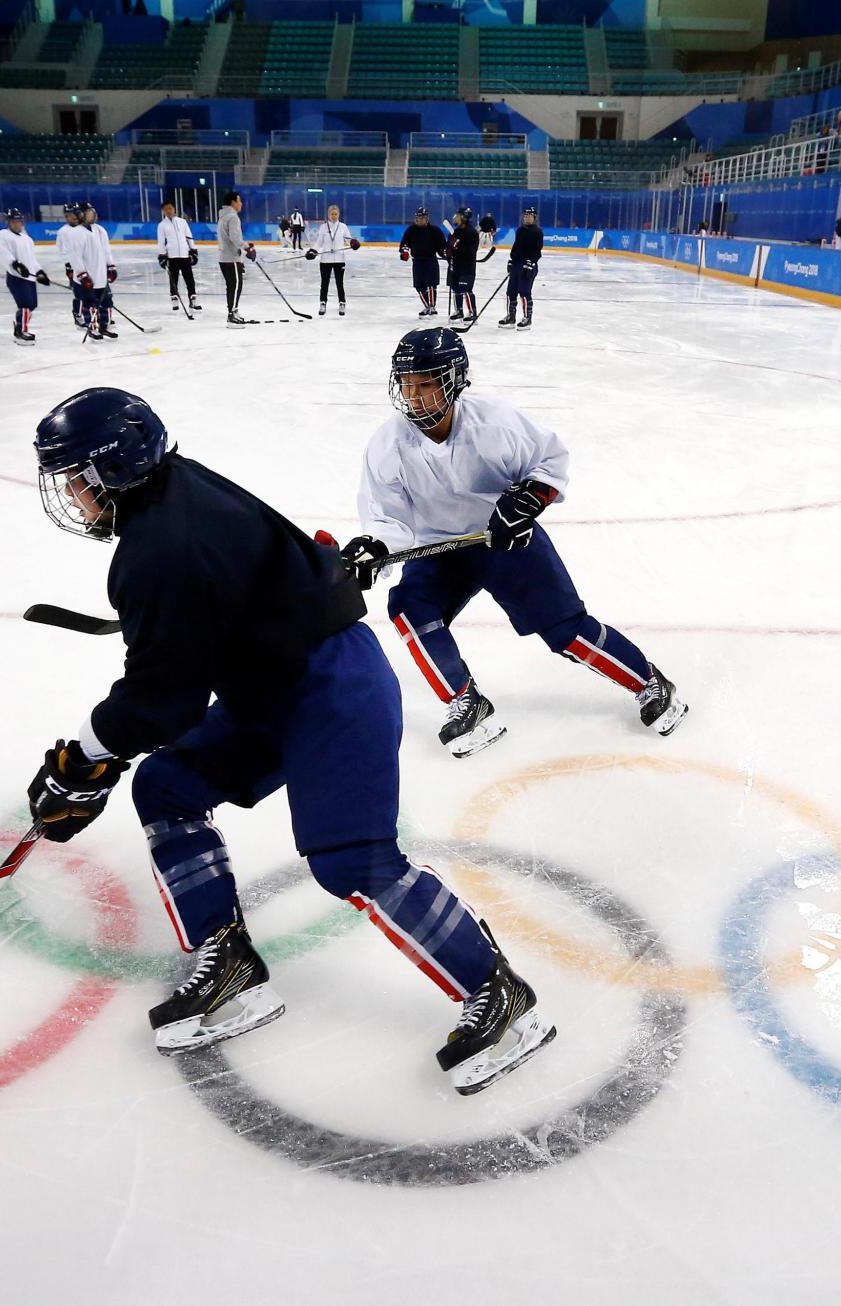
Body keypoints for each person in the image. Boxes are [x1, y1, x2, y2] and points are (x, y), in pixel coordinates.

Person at [29, 387, 555, 1094]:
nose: (69, 493)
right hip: (277, 683)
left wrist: (87, 754)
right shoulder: (174, 493)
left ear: (113, 470)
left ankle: (501, 995)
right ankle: (232, 968)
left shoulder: (159, 551)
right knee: (168, 787)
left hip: (333, 690)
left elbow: (165, 701)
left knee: (353, 863)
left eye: (75, 477)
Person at [341, 328, 687, 760]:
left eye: (426, 383)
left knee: (565, 631)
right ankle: (465, 700)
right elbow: (388, 517)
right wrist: (374, 545)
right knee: (410, 610)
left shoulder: (496, 422)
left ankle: (647, 680)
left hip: (503, 541)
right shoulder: (387, 445)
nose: (415, 397)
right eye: (407, 384)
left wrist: (528, 500)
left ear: (455, 379)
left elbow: (551, 460)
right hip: (439, 549)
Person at [0, 208, 52, 345]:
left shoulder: (27, 239)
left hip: (29, 277)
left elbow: (32, 259)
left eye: (19, 221)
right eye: (13, 221)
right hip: (16, 277)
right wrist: (16, 265)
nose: (17, 224)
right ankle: (21, 332)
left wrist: (39, 272)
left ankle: (20, 325)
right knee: (25, 304)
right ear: (8, 222)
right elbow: (4, 254)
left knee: (32, 305)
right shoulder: (2, 235)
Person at [306, 202, 359, 316]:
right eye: (332, 214)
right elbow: (319, 242)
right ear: (328, 215)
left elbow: (349, 240)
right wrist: (313, 251)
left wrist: (354, 243)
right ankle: (323, 303)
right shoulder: (323, 227)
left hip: (339, 260)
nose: (334, 216)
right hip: (325, 260)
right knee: (324, 283)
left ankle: (342, 303)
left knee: (340, 283)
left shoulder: (343, 227)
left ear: (338, 214)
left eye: (336, 214)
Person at [78, 200, 117, 340]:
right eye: (89, 212)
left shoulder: (100, 230)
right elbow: (76, 257)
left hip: (101, 274)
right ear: (81, 214)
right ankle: (93, 328)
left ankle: (104, 327)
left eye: (92, 212)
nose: (92, 214)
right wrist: (82, 275)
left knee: (106, 301)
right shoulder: (78, 233)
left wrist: (111, 267)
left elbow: (107, 251)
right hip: (88, 275)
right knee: (90, 303)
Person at [399, 206, 446, 318]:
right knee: (419, 286)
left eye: (421, 217)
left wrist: (446, 254)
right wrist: (404, 252)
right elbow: (404, 244)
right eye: (417, 217)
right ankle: (427, 306)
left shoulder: (435, 231)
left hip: (430, 261)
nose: (418, 219)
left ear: (426, 218)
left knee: (431, 284)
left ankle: (432, 307)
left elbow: (442, 248)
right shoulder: (411, 230)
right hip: (417, 262)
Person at [216, 189, 254, 326]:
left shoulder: (223, 217)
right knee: (235, 287)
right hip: (231, 258)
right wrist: (247, 248)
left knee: (232, 286)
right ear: (233, 202)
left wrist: (244, 247)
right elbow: (235, 238)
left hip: (225, 257)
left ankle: (234, 312)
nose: (241, 204)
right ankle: (231, 316)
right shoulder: (232, 217)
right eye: (239, 200)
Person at [500, 205, 541, 329]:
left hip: (528, 265)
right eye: (525, 215)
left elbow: (537, 251)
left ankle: (527, 318)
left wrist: (530, 263)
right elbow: (516, 247)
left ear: (534, 218)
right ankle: (511, 316)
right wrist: (512, 260)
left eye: (529, 216)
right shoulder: (520, 230)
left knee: (524, 292)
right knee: (510, 291)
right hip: (517, 265)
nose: (527, 218)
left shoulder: (537, 232)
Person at [155, 198, 199, 312]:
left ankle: (193, 299)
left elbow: (189, 236)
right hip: (172, 257)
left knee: (189, 279)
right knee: (173, 279)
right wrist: (162, 255)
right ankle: (174, 299)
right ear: (163, 211)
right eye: (166, 209)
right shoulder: (162, 225)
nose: (168, 211)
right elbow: (161, 242)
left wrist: (193, 250)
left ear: (174, 209)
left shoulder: (182, 222)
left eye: (170, 208)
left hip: (185, 255)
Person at [55, 203, 94, 331]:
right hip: (74, 267)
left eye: (75, 214)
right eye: (70, 215)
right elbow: (63, 250)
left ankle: (91, 315)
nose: (75, 217)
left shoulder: (83, 229)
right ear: (66, 217)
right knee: (79, 292)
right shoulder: (63, 231)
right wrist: (68, 266)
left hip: (87, 265)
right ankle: (78, 315)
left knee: (91, 291)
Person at [445, 207, 480, 323]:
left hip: (467, 267)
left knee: (466, 289)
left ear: (464, 218)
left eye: (458, 215)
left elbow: (471, 251)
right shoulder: (456, 232)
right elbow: (449, 247)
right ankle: (459, 311)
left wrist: (457, 247)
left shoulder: (472, 233)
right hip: (455, 266)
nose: (455, 217)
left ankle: (472, 313)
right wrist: (448, 250)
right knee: (456, 288)